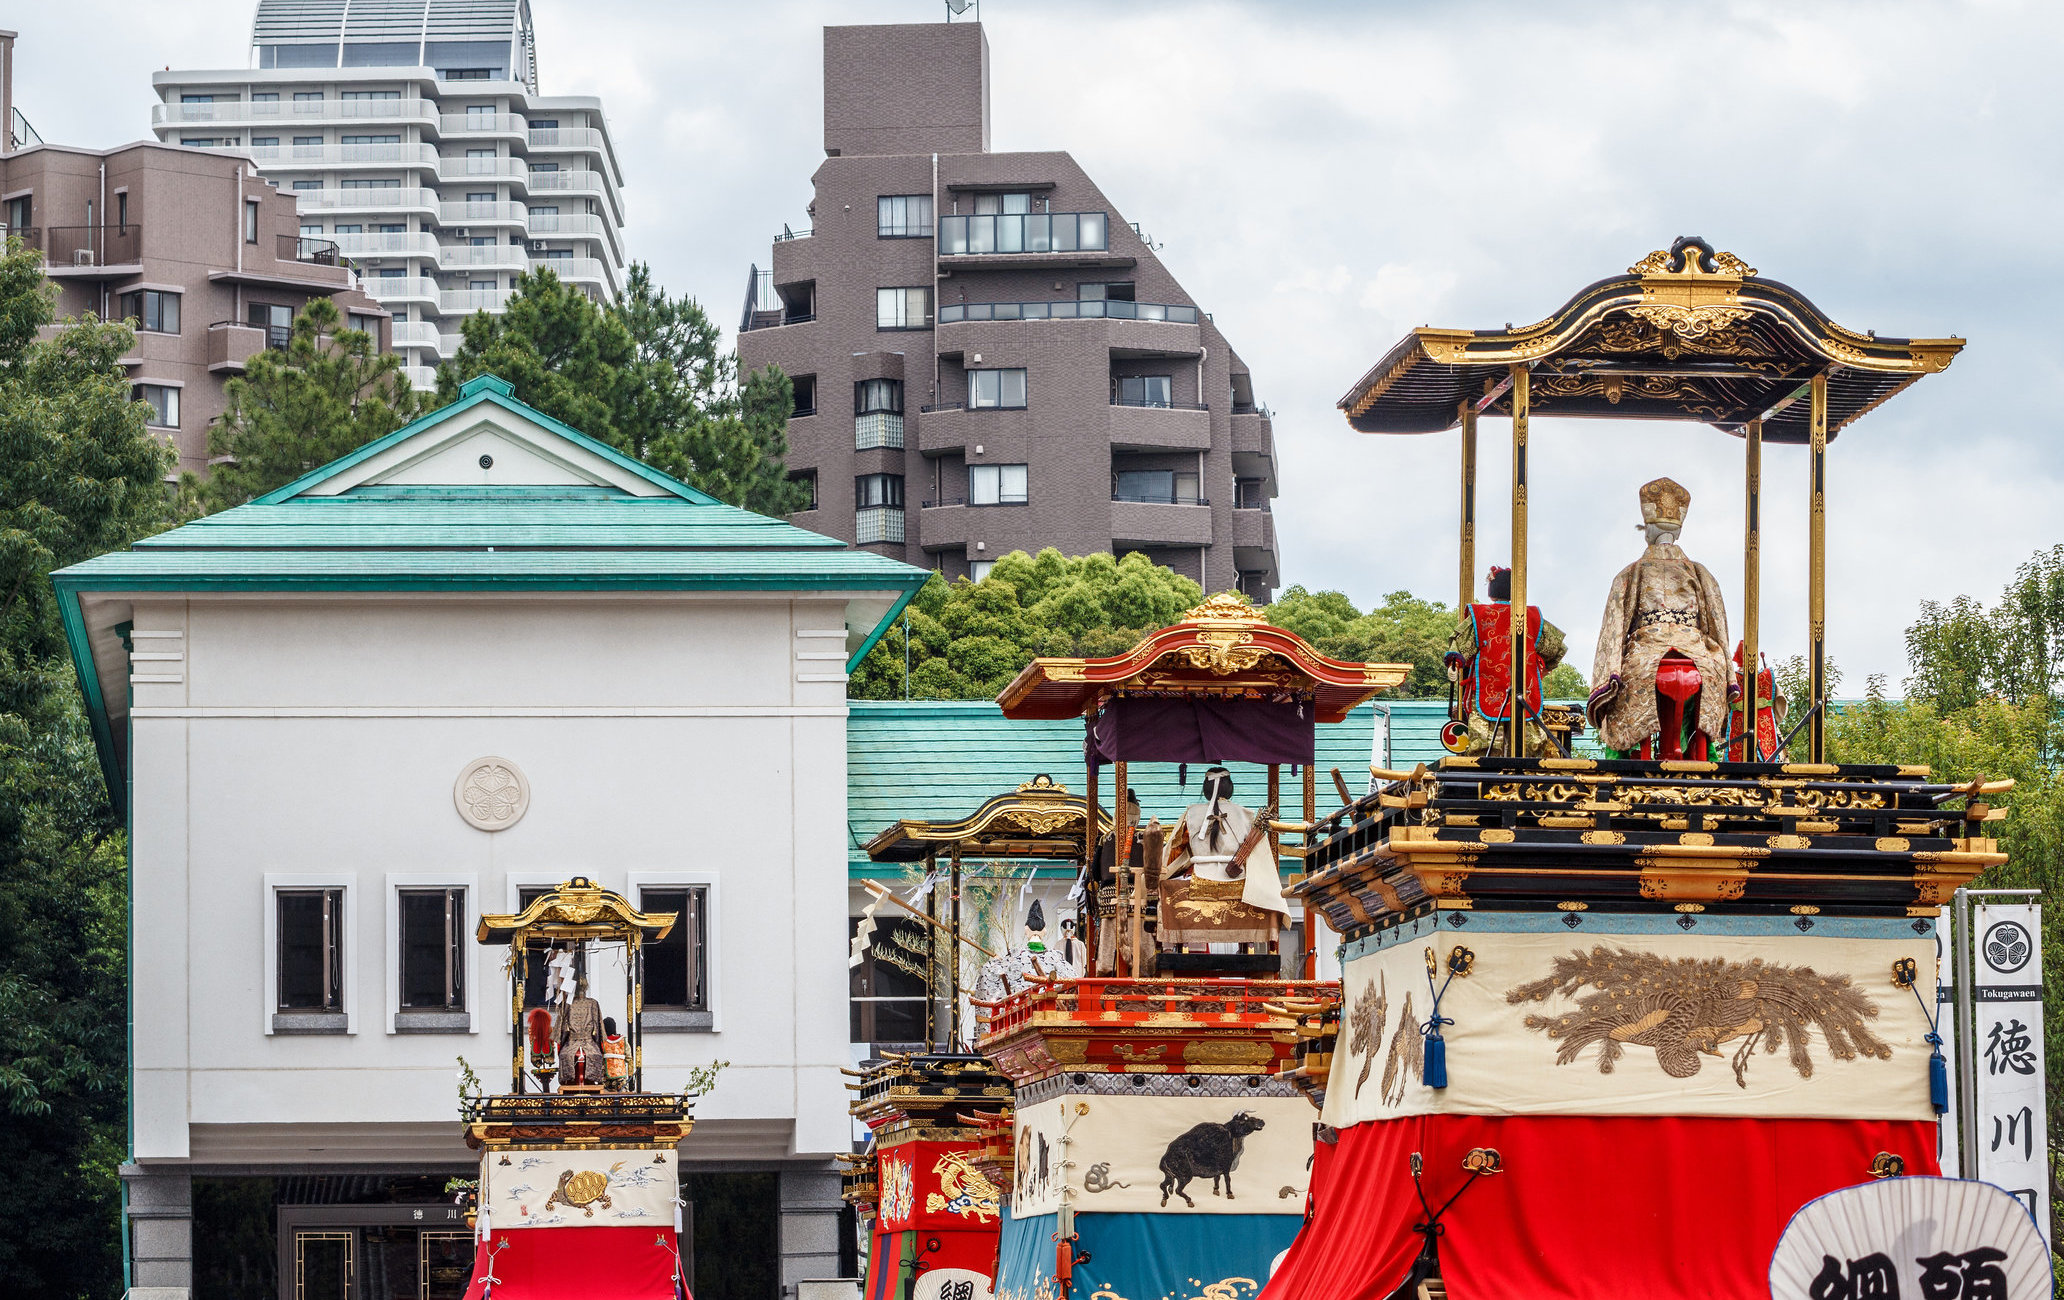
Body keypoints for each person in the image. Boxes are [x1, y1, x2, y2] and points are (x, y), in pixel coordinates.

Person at [1588, 477, 1731, 755]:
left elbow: (1614, 629)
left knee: (1623, 688)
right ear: (1677, 531)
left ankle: (1628, 756)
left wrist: (1611, 673)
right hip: (1699, 659)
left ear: (1648, 530)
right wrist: (1725, 669)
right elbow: (1717, 624)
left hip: (1645, 657)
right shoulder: (1701, 573)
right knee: (1707, 678)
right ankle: (1697, 748)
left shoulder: (1630, 573)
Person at [1159, 767, 1289, 954]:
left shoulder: (1192, 813)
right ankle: (1248, 945)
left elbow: (1176, 849)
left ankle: (1181, 944)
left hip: (1198, 877)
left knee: (1166, 887)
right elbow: (1260, 855)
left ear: (1206, 789)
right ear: (1230, 788)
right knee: (1262, 892)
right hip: (1239, 879)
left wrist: (1163, 868)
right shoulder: (1245, 814)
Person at [1444, 565, 1567, 756]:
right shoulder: (1532, 617)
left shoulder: (1480, 616)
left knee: (1485, 746)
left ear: (1492, 593)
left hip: (1487, 690)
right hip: (1525, 692)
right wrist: (1542, 670)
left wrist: (1455, 665)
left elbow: (1458, 650)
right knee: (1528, 748)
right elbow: (1557, 650)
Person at [972, 899, 1082, 1004]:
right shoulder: (1057, 959)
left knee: (988, 971)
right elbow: (1075, 980)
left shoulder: (1015, 958)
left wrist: (997, 964)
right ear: (1044, 931)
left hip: (1022, 1009)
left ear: (1026, 930)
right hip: (1055, 1006)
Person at [600, 1016, 630, 1092]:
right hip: (620, 1074)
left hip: (606, 1075)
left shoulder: (602, 1041)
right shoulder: (623, 1040)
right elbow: (629, 1057)